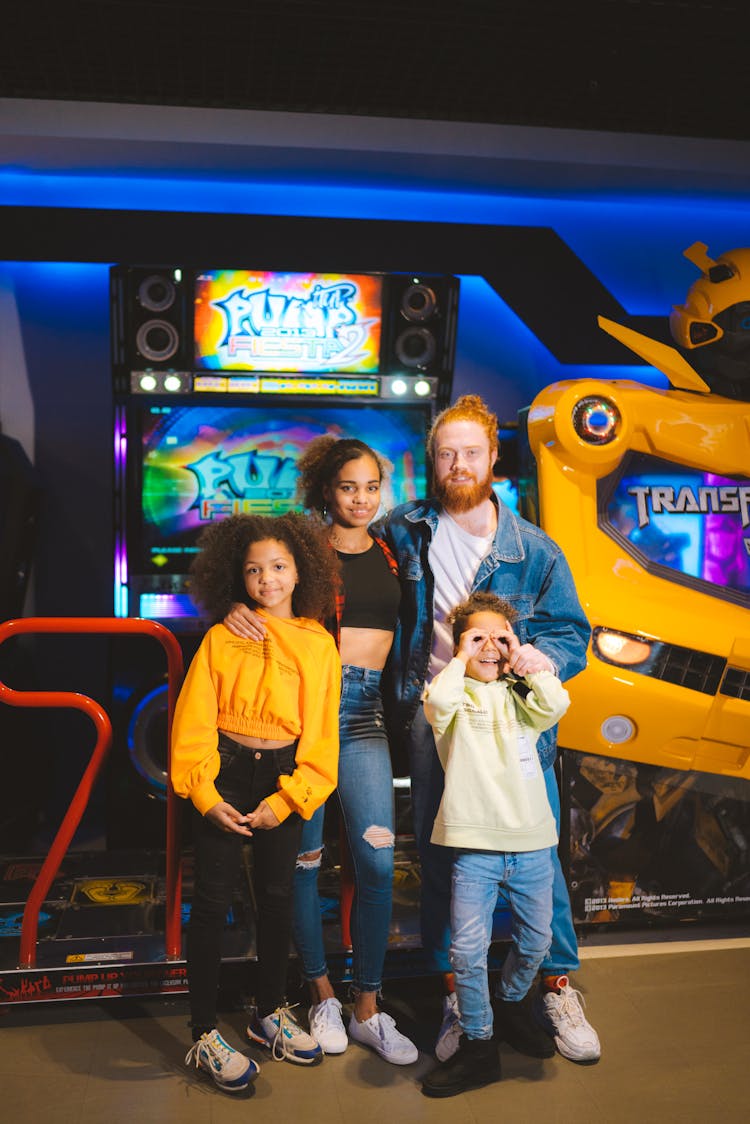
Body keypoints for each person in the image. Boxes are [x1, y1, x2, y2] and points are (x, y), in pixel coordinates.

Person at [375, 393, 601, 1065]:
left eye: (471, 451)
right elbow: (336, 551)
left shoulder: (532, 548)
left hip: (514, 718)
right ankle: (458, 990)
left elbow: (572, 634)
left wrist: (539, 663)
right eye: (446, 453)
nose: (458, 463)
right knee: (443, 853)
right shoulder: (404, 528)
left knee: (539, 859)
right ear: (432, 461)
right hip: (436, 716)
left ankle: (553, 985)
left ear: (494, 458)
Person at [224, 437, 419, 1065]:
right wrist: (234, 606)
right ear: (324, 491)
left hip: (364, 718)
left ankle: (368, 1005)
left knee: (379, 864)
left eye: (370, 487)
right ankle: (320, 992)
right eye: (346, 487)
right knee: (302, 865)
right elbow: (251, 581)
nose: (360, 499)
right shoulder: (301, 550)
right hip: (304, 717)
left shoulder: (395, 548)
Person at [172, 512, 341, 1093]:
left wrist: (290, 798)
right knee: (212, 903)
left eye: (278, 567)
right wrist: (203, 793)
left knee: (276, 900)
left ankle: (269, 1013)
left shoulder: (320, 644)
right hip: (225, 772)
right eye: (253, 571)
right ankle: (201, 1032)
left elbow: (322, 739)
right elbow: (194, 721)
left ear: (300, 572)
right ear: (237, 579)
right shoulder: (224, 635)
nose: (266, 579)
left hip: (282, 777)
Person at [420, 591, 570, 1097]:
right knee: (467, 951)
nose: (490, 647)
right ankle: (479, 1044)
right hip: (475, 848)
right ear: (460, 645)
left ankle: (508, 1005)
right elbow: (437, 702)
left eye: (499, 638)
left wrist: (531, 662)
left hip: (531, 843)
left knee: (536, 943)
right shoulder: (453, 697)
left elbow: (557, 702)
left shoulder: (521, 698)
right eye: (476, 637)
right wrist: (460, 658)